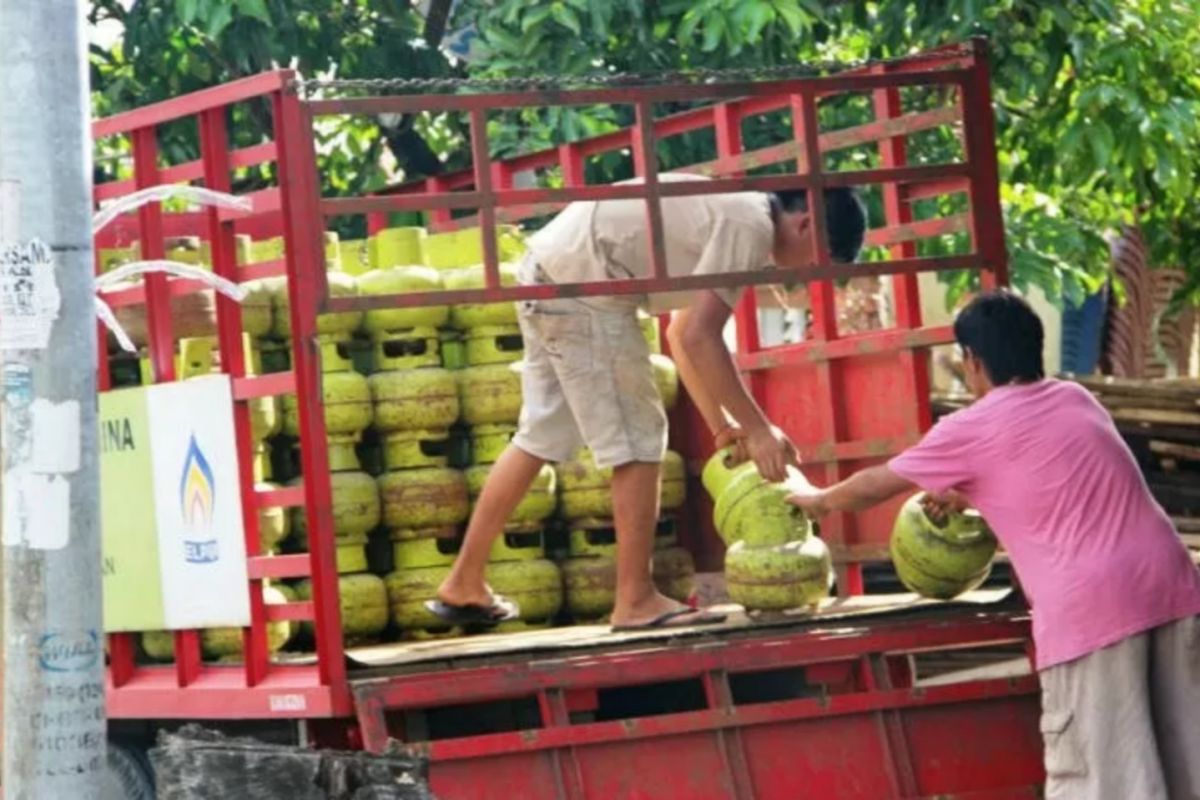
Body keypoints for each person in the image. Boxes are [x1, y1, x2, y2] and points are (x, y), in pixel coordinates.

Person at [787, 290, 1200, 799]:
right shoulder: (1075, 398)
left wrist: (818, 500)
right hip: (1173, 586)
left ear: (973, 361)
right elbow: (1055, 484)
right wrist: (969, 495)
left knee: (1103, 780)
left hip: (1094, 612)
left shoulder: (970, 426)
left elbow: (877, 484)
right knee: (1184, 761)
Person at [429, 172, 867, 631]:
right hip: (586, 286)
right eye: (814, 264)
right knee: (641, 439)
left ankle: (464, 582)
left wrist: (720, 426)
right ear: (806, 225)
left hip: (551, 270)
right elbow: (702, 337)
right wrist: (758, 430)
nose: (801, 279)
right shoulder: (750, 224)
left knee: (540, 436)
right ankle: (634, 599)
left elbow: (681, 333)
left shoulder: (732, 210)